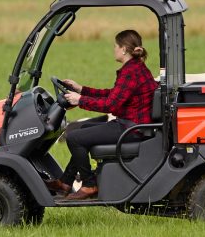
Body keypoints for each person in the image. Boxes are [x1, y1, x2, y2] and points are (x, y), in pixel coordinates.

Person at [45, 30, 158, 200]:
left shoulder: (131, 72)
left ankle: (89, 184)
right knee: (83, 129)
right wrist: (82, 90)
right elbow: (113, 94)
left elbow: (110, 105)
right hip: (132, 125)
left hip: (131, 129)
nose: (114, 49)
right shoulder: (135, 68)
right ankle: (65, 182)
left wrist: (79, 100)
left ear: (124, 49)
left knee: (74, 137)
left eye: (116, 46)